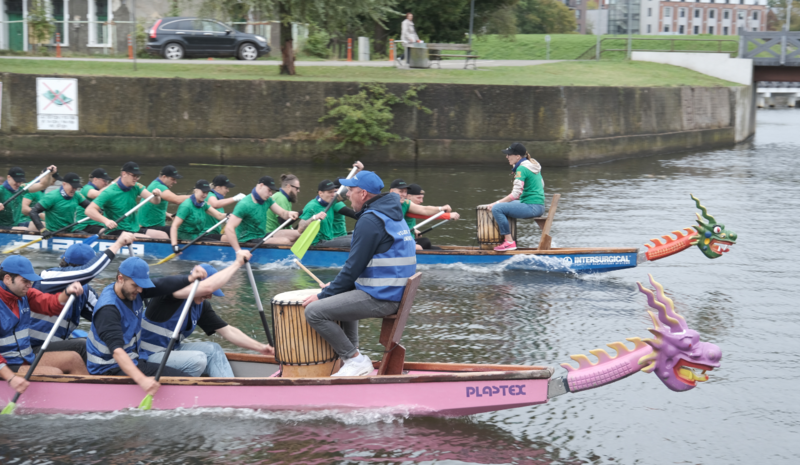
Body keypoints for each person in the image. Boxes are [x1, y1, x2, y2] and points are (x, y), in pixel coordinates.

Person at [302, 171, 416, 377]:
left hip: (383, 296)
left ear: (362, 194)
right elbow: (358, 269)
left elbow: (353, 266)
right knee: (339, 292)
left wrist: (322, 296)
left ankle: (353, 359)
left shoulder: (370, 220)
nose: (346, 195)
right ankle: (354, 358)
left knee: (314, 312)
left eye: (351, 191)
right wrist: (335, 288)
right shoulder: (392, 214)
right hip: (393, 292)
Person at [139, 251, 274, 377]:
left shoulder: (201, 306)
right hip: (147, 356)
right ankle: (192, 395)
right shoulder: (170, 295)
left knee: (213, 349)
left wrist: (261, 348)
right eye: (209, 292)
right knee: (198, 360)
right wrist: (238, 263)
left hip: (170, 350)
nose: (209, 296)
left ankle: (229, 390)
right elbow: (207, 287)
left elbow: (228, 331)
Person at [87, 258, 208, 397]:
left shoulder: (131, 290)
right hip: (109, 367)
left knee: (184, 376)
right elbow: (117, 352)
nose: (140, 290)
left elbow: (162, 284)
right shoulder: (108, 309)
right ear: (120, 279)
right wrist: (142, 381)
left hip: (133, 358)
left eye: (142, 285)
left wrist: (190, 278)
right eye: (135, 285)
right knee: (187, 380)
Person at [31, 233, 136, 362]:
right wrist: (118, 243)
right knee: (81, 345)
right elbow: (89, 271)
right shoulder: (48, 277)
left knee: (96, 343)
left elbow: (106, 317)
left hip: (54, 349)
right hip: (31, 349)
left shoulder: (85, 291)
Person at [0, 255, 89, 393]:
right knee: (55, 373)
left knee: (74, 358)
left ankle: (89, 400)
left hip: (25, 358)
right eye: (25, 281)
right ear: (7, 279)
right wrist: (10, 378)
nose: (29, 285)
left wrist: (67, 292)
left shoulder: (24, 294)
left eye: (30, 281)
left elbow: (49, 304)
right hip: (6, 366)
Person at [483, 143, 545, 251]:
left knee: (497, 208)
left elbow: (516, 194)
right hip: (539, 206)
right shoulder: (532, 165)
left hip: (531, 207)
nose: (507, 157)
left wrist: (495, 203)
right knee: (505, 205)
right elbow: (542, 184)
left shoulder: (521, 169)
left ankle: (509, 242)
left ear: (517, 156)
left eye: (509, 154)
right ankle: (509, 240)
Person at [84, 162, 167, 239]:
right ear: (124, 174)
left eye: (138, 176)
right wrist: (106, 221)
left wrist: (157, 196)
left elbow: (155, 201)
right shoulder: (109, 192)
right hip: (116, 231)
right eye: (134, 175)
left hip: (133, 228)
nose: (136, 178)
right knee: (147, 238)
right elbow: (89, 210)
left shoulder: (136, 186)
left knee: (163, 235)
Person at [223, 176, 299, 251]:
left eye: (271, 191)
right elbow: (229, 228)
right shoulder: (244, 204)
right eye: (269, 190)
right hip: (248, 240)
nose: (270, 193)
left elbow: (282, 213)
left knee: (298, 234)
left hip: (262, 236)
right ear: (261, 186)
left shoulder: (268, 200)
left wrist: (289, 213)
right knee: (284, 241)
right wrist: (238, 251)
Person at [170, 180, 228, 252]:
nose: (205, 195)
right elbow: (174, 226)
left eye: (207, 193)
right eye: (203, 192)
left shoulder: (203, 204)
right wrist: (174, 245)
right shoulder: (186, 206)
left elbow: (219, 216)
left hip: (196, 237)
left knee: (218, 241)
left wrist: (229, 215)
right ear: (196, 190)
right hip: (184, 238)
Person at [296, 180, 357, 248]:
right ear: (320, 193)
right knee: (352, 241)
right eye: (329, 192)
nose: (333, 195)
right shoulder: (311, 206)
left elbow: (347, 193)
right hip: (317, 243)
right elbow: (300, 229)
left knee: (358, 236)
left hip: (329, 240)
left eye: (334, 191)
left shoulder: (331, 202)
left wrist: (356, 172)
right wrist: (314, 218)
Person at [397, 183, 459, 250]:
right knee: (425, 241)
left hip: (410, 239)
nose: (421, 201)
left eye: (422, 198)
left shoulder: (409, 206)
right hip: (405, 242)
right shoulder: (405, 205)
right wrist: (448, 215)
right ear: (408, 196)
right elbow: (426, 213)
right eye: (418, 198)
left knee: (438, 249)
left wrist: (414, 230)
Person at [28, 173, 93, 234]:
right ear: (64, 184)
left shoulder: (77, 195)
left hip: (70, 229)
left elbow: (90, 207)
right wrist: (42, 230)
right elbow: (33, 212)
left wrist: (97, 210)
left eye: (76, 187)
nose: (74, 189)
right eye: (73, 187)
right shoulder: (52, 196)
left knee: (88, 236)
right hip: (55, 232)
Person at [0, 166, 59, 231]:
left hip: (15, 224)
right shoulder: (1, 190)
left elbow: (43, 185)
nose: (18, 184)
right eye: (16, 181)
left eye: (20, 181)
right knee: (24, 229)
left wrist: (49, 174)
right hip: (2, 226)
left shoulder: (22, 188)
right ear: (9, 177)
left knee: (45, 226)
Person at [139, 165, 191, 234]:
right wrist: (198, 196)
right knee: (183, 232)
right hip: (147, 227)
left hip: (152, 225)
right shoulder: (158, 187)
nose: (175, 182)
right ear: (164, 177)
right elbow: (177, 200)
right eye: (173, 179)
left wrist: (166, 214)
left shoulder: (155, 184)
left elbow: (152, 207)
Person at [73, 168, 113, 235]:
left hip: (99, 224)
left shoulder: (104, 192)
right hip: (85, 225)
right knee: (107, 232)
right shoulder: (86, 188)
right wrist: (114, 184)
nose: (107, 183)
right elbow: (96, 194)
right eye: (104, 180)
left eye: (108, 181)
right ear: (95, 179)